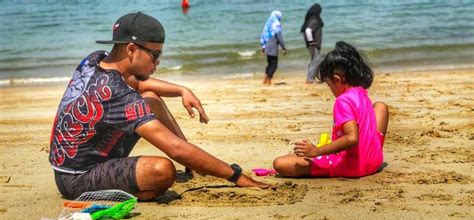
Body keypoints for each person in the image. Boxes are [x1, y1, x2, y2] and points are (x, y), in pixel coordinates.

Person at [49, 12, 269, 201]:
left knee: (150, 99)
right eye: (155, 55)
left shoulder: (96, 59)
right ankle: (123, 192)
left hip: (74, 160)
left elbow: (138, 82)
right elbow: (175, 149)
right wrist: (236, 175)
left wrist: (182, 90)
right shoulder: (118, 94)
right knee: (161, 171)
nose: (158, 62)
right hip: (77, 177)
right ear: (132, 49)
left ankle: (193, 166)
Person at [273, 41, 389, 178]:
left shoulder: (342, 101)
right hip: (374, 160)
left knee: (280, 163)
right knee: (380, 106)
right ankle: (373, 150)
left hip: (353, 166)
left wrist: (316, 151)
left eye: (329, 85)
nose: (330, 89)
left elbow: (352, 138)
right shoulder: (361, 91)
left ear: (337, 80)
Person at [260, 10, 287, 85]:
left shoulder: (268, 23)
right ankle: (269, 79)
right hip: (272, 46)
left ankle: (265, 78)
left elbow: (263, 34)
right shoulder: (276, 24)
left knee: (270, 63)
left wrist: (263, 46)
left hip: (266, 45)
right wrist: (283, 47)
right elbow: (279, 37)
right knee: (274, 65)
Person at [301, 3, 324, 84]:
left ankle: (311, 77)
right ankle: (310, 78)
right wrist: (311, 42)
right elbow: (308, 30)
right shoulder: (314, 19)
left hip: (311, 44)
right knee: (316, 60)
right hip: (313, 44)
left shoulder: (310, 19)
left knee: (314, 60)